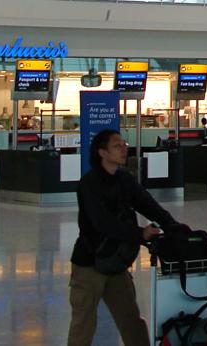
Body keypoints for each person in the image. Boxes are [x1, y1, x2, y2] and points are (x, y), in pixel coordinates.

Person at [68, 128, 182, 346]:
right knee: (83, 323)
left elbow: (146, 203)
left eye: (124, 144)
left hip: (116, 262)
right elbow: (101, 223)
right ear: (102, 153)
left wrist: (172, 225)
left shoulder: (124, 179)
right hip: (89, 264)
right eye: (117, 145)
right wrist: (139, 234)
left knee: (131, 319)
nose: (124, 149)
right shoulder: (89, 183)